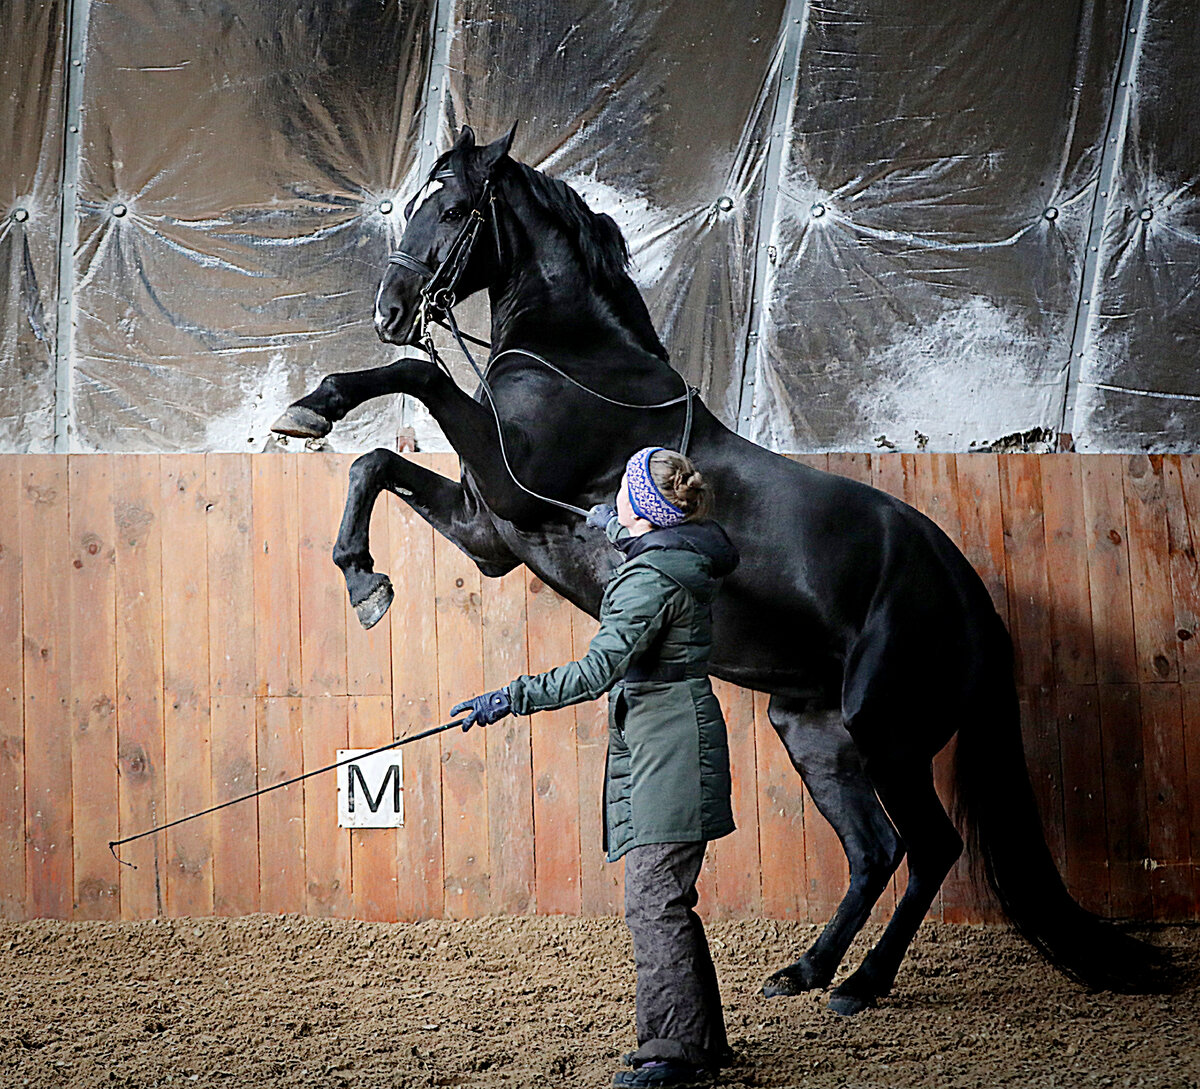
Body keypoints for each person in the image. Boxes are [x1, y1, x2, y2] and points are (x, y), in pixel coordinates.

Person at [453, 446, 739, 1088]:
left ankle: (670, 1054)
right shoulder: (677, 554)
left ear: (644, 508)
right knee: (667, 900)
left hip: (670, 747)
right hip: (667, 735)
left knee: (654, 900)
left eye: (627, 496)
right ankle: (699, 1043)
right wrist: (619, 528)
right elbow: (652, 550)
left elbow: (597, 671)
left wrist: (509, 698)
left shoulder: (651, 578)